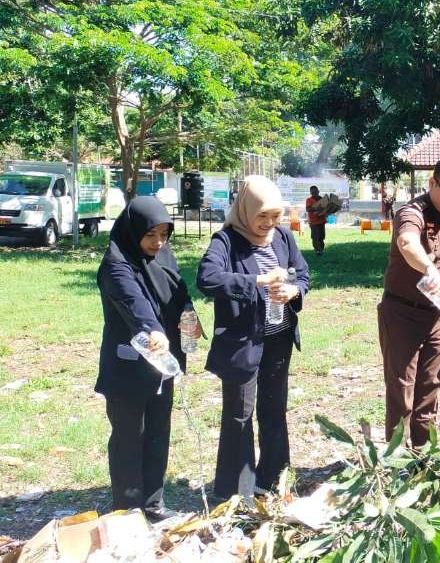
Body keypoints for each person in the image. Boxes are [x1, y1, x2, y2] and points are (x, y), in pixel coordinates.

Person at [197, 175, 310, 499]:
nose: (268, 223)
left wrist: (293, 289)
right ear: (246, 209)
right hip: (242, 342)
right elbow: (207, 278)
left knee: (275, 409)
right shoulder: (227, 241)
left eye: (275, 216)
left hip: (278, 338)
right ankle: (237, 491)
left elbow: (302, 274)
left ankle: (274, 480)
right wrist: (258, 281)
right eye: (262, 216)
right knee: (239, 414)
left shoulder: (283, 237)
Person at [96, 196, 199, 521]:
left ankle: (153, 504)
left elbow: (179, 295)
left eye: (163, 234)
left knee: (157, 434)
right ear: (133, 231)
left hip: (162, 365)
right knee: (129, 437)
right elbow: (132, 301)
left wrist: (190, 321)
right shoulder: (116, 263)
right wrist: (153, 329)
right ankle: (127, 510)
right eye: (150, 235)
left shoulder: (164, 257)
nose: (158, 242)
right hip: (128, 367)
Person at [379, 156, 440, 448]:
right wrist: (428, 268)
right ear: (432, 183)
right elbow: (407, 243)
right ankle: (397, 459)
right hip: (402, 313)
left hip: (434, 316)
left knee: (430, 387)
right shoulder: (411, 212)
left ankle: (423, 453)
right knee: (402, 389)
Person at [305, 186, 327, 256]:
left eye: (315, 192)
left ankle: (322, 249)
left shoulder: (322, 199)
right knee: (315, 236)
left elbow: (326, 208)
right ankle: (317, 250)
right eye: (313, 192)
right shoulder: (309, 200)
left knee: (321, 236)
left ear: (318, 191)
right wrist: (317, 208)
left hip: (322, 221)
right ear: (311, 193)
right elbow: (308, 209)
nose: (314, 193)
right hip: (313, 222)